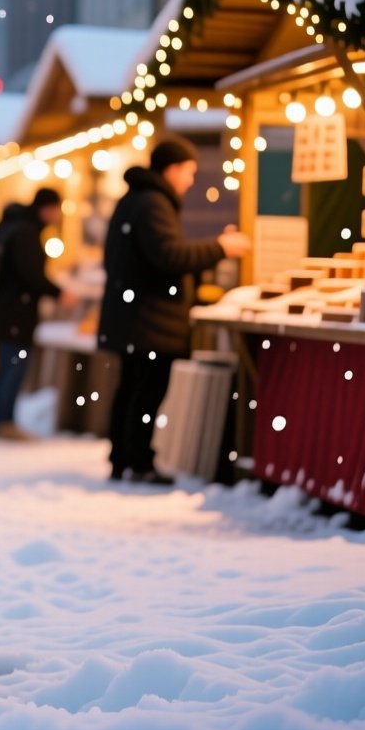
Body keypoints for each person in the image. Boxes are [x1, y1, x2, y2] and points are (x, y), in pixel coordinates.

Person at [100, 136, 251, 484]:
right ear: (172, 169)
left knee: (130, 389)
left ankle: (123, 459)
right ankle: (138, 462)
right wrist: (220, 248)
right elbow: (170, 256)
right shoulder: (154, 203)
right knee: (145, 393)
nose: (191, 180)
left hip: (134, 318)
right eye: (189, 171)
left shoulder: (135, 200)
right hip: (149, 321)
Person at [0, 187, 69, 442]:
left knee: (6, 366)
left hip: (0, 312)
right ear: (47, 208)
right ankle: (4, 421)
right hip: (14, 315)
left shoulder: (10, 226)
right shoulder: (26, 232)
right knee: (13, 367)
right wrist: (58, 291)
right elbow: (29, 274)